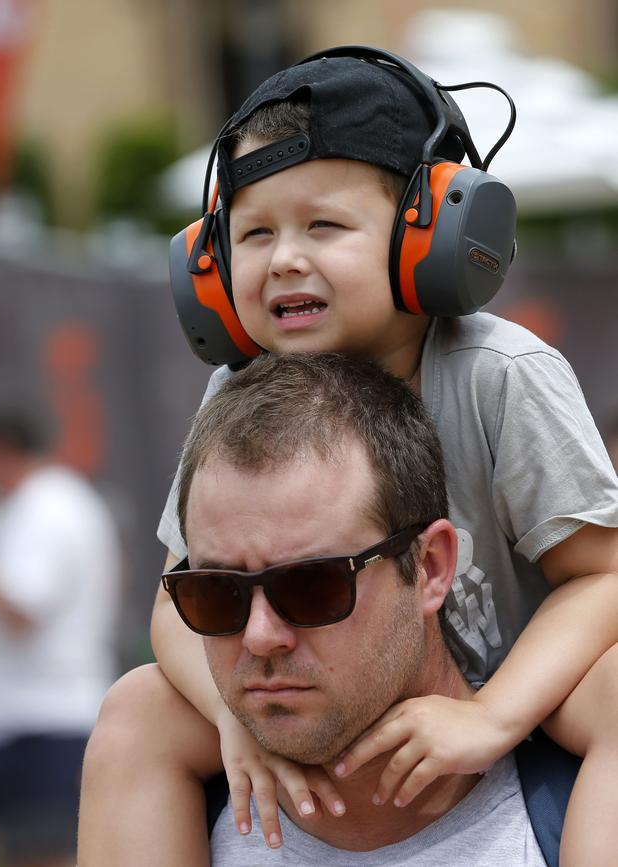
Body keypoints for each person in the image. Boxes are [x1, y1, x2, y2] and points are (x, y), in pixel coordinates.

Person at [78, 48, 618, 867]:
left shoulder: (500, 374)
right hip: (326, 700)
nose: (284, 257)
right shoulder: (236, 392)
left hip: (523, 693)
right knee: (138, 708)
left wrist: (495, 715)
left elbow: (604, 576)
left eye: (323, 225)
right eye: (253, 233)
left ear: (433, 232)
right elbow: (176, 601)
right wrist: (234, 724)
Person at [0, 410, 122, 867]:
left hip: (47, 718)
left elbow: (22, 608)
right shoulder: (48, 502)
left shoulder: (48, 506)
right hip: (25, 717)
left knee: (52, 850)